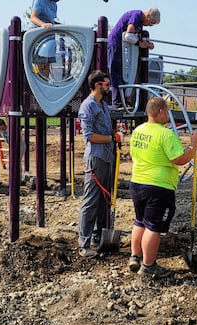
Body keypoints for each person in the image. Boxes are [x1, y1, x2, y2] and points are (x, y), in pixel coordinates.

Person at [129, 97, 197, 277]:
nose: (168, 114)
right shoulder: (165, 134)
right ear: (161, 111)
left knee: (140, 221)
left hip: (138, 181)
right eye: (167, 110)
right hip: (158, 186)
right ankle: (148, 265)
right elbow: (180, 159)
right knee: (154, 227)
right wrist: (194, 145)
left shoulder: (138, 130)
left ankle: (135, 257)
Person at [77, 70, 116, 258]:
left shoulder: (104, 105)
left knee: (103, 201)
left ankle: (98, 237)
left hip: (107, 158)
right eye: (107, 84)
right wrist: (111, 138)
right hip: (95, 158)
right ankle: (83, 244)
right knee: (91, 201)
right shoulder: (88, 106)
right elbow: (89, 136)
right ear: (98, 85)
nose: (108, 87)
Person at [107, 8, 160, 109]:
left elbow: (134, 38)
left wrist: (147, 44)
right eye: (151, 23)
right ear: (148, 16)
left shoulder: (140, 21)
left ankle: (122, 101)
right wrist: (140, 44)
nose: (150, 25)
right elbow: (128, 35)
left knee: (123, 74)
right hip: (115, 45)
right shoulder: (137, 16)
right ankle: (117, 103)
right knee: (115, 73)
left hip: (121, 48)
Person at [0, 118, 28, 184]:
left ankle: (19, 179)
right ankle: (14, 177)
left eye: (0, 128)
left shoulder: (11, 130)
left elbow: (16, 138)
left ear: (3, 125)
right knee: (13, 162)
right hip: (12, 147)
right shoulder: (0, 131)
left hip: (19, 146)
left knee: (17, 162)